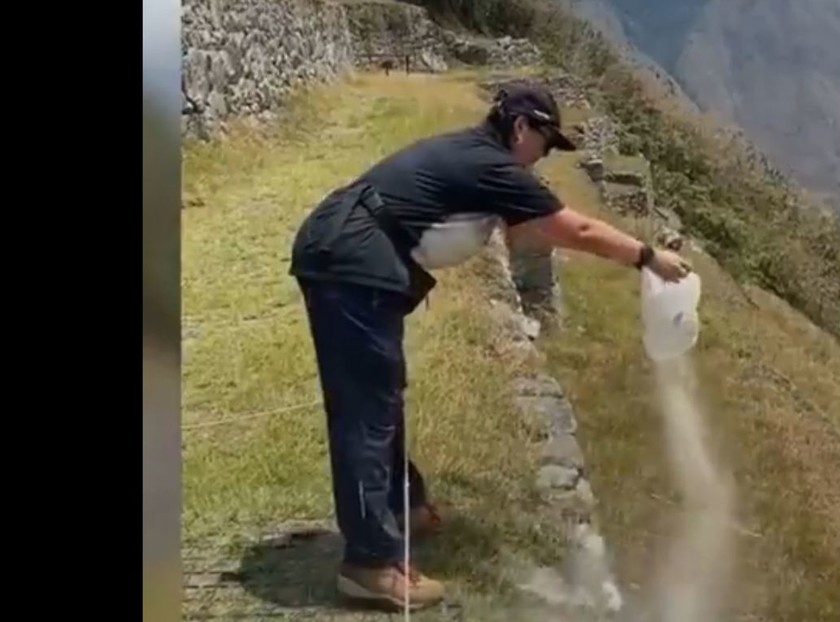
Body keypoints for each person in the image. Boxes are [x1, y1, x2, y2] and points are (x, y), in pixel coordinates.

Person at [287, 82, 692, 610]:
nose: (543, 158)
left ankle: (403, 507)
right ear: (521, 128)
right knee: (366, 409)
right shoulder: (495, 166)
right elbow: (579, 228)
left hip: (348, 249)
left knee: (382, 395)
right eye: (545, 145)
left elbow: (529, 236)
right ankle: (370, 565)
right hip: (348, 259)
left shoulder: (477, 157)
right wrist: (646, 256)